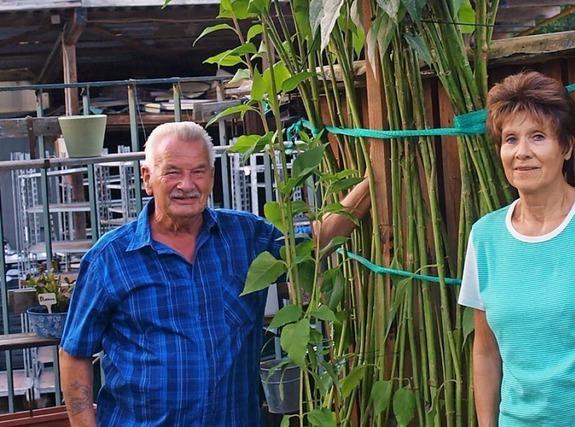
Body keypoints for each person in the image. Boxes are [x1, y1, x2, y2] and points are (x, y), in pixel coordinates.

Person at [59, 121, 371, 426]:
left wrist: (374, 181)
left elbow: (315, 241)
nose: (186, 184)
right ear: (146, 178)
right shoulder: (110, 259)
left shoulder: (245, 237)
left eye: (198, 171)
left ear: (211, 176)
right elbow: (75, 353)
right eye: (172, 172)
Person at [458, 71, 575, 426]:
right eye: (510, 139)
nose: (522, 152)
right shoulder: (484, 237)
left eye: (538, 137)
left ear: (566, 147)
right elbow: (486, 351)